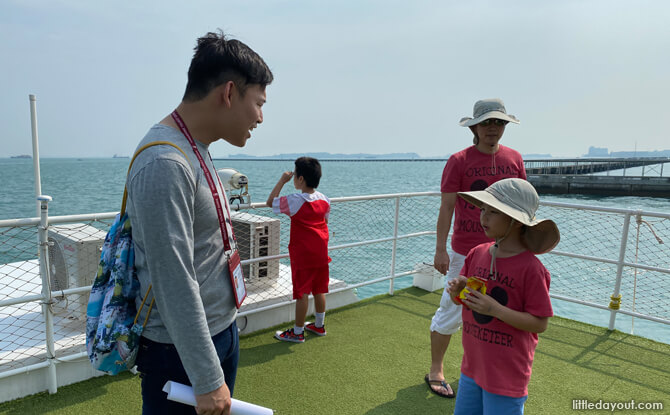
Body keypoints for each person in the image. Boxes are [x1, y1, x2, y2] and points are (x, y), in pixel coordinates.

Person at [126, 31, 273, 415]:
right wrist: (207, 377)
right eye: (258, 103)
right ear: (228, 93)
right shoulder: (165, 161)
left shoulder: (197, 148)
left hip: (215, 333)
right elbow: (172, 276)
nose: (260, 116)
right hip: (177, 352)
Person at [426, 99, 527, 398]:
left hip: (506, 250)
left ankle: (485, 372)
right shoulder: (459, 160)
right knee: (452, 308)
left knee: (499, 311)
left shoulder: (514, 159)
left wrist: (525, 246)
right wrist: (440, 249)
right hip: (465, 251)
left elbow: (521, 206)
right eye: (486, 123)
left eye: (498, 122)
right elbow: (446, 208)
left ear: (505, 126)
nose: (492, 128)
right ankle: (436, 369)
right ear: (475, 127)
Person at [447, 178, 559, 414]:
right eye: (483, 209)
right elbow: (468, 299)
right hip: (472, 367)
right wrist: (460, 290)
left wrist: (495, 310)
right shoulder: (477, 253)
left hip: (506, 376)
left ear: (516, 221)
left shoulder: (532, 269)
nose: (483, 217)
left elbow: (540, 323)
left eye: (493, 212)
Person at [266, 157, 331, 343]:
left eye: (294, 175)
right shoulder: (325, 199)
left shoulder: (295, 200)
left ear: (300, 179)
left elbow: (271, 202)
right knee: (319, 289)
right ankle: (319, 326)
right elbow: (325, 222)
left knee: (301, 293)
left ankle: (298, 331)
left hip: (303, 254)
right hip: (320, 251)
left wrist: (282, 181)